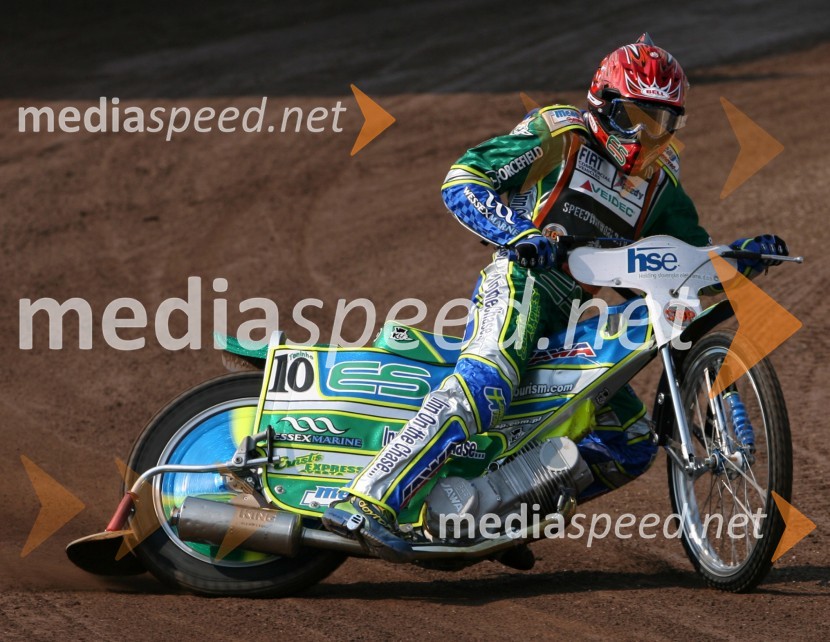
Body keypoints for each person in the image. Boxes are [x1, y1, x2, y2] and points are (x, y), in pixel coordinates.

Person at [323, 33, 787, 557]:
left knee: (630, 441)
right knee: (488, 379)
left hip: (574, 316)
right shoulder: (560, 133)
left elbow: (687, 257)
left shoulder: (661, 182)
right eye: (636, 116)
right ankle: (368, 499)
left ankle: (497, 517)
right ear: (605, 105)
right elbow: (463, 179)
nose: (647, 136)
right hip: (520, 285)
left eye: (662, 123)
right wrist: (519, 233)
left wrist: (739, 254)